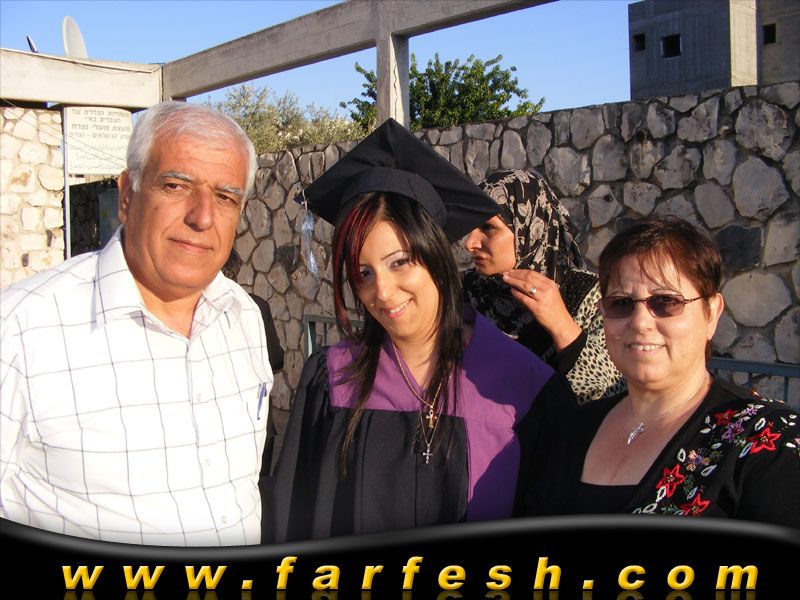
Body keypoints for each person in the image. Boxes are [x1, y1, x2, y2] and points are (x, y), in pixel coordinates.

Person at [263, 119, 575, 543]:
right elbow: (293, 523)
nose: (382, 292)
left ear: (436, 257)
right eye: (363, 272)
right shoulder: (331, 379)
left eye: (400, 262)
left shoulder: (525, 386)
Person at [0, 101, 274, 545]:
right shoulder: (22, 327)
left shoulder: (243, 317)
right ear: (127, 195)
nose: (202, 216)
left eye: (225, 197)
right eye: (176, 185)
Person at [524, 217, 800, 528]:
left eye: (666, 301)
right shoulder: (571, 430)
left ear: (711, 313)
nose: (640, 322)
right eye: (621, 303)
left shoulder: (766, 440)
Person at [463, 169, 626, 403]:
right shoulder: (463, 295)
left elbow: (610, 397)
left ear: (530, 228)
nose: (470, 243)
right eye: (471, 226)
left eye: (488, 228)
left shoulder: (591, 297)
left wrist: (561, 325)